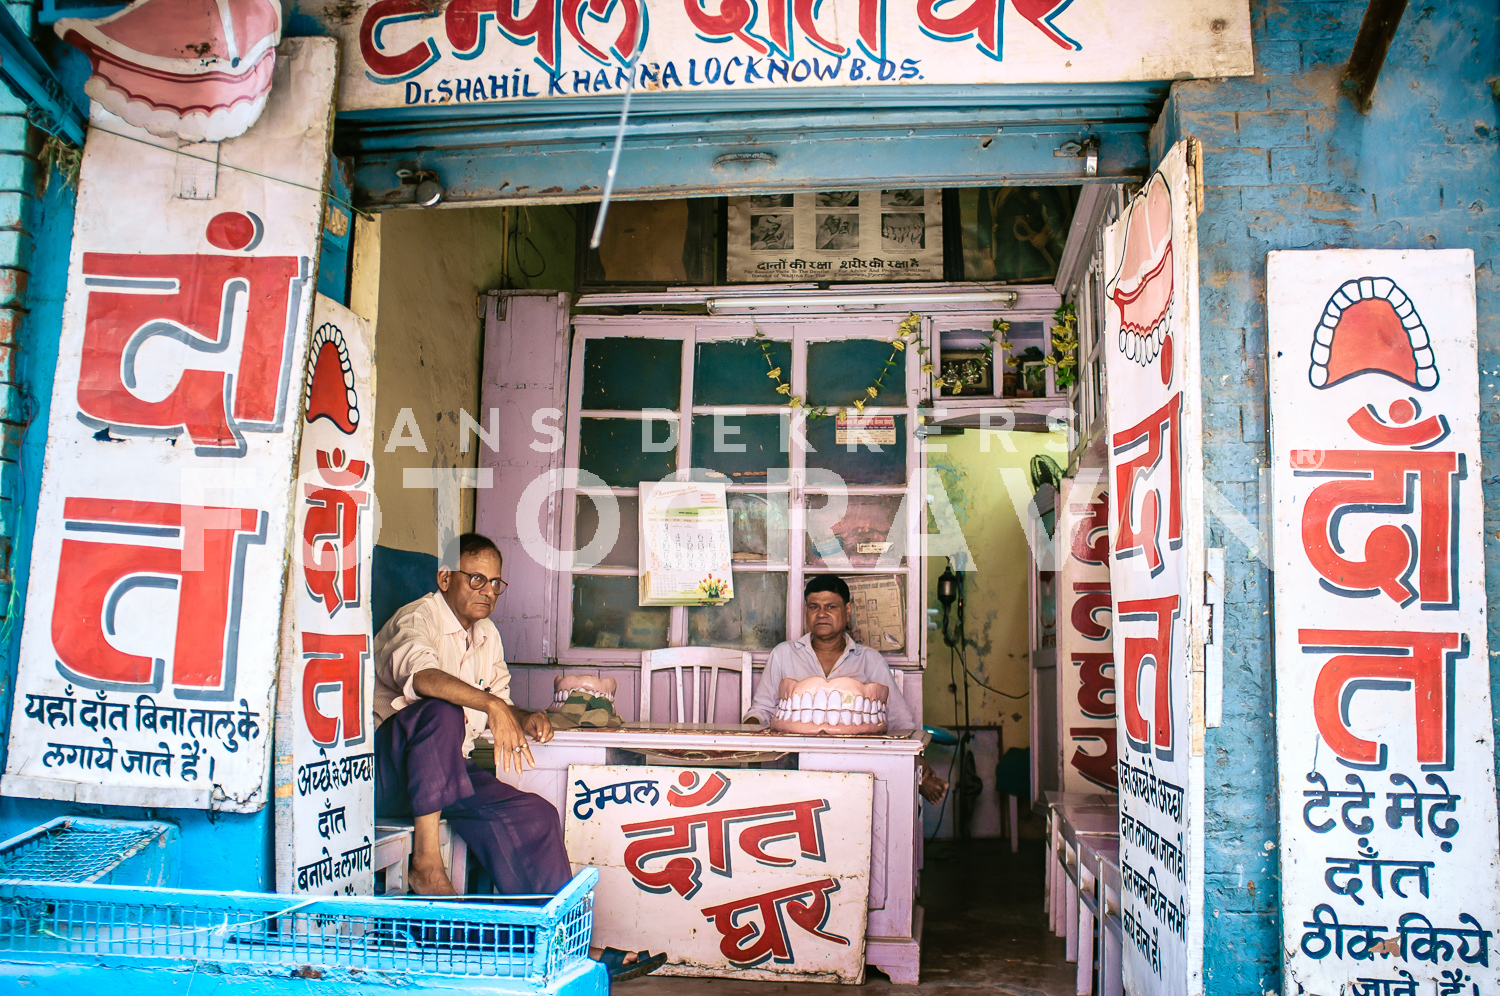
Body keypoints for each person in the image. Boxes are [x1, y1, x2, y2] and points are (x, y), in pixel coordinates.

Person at [373, 532, 664, 980]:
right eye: (476, 580)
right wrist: (490, 706)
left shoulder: (486, 635)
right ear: (445, 577)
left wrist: (523, 716)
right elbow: (426, 678)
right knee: (442, 710)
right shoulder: (416, 619)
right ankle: (427, 866)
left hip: (445, 772)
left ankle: (565, 947)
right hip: (389, 773)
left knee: (534, 815)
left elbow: (499, 702)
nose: (488, 592)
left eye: (495, 584)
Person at [744, 574, 950, 804]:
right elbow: (761, 709)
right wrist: (741, 742)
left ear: (848, 609)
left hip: (858, 771)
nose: (821, 614)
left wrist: (918, 766)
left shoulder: (869, 660)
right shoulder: (783, 654)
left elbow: (899, 719)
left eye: (831, 606)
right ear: (806, 611)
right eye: (814, 607)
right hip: (793, 768)